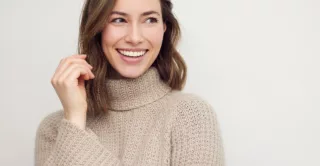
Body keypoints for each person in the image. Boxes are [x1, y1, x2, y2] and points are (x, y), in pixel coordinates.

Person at [34, 0, 224, 165]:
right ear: (97, 26)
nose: (134, 38)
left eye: (150, 20)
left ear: (164, 27)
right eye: (119, 20)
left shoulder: (191, 115)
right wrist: (74, 119)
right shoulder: (55, 128)